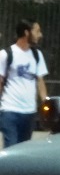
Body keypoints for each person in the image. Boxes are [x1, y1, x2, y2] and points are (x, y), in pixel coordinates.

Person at [0, 19, 49, 148]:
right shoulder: (5, 55)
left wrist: (45, 101)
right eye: (37, 31)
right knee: (11, 148)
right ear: (27, 32)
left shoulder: (37, 55)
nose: (40, 35)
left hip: (29, 112)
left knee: (23, 149)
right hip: (10, 110)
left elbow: (40, 80)